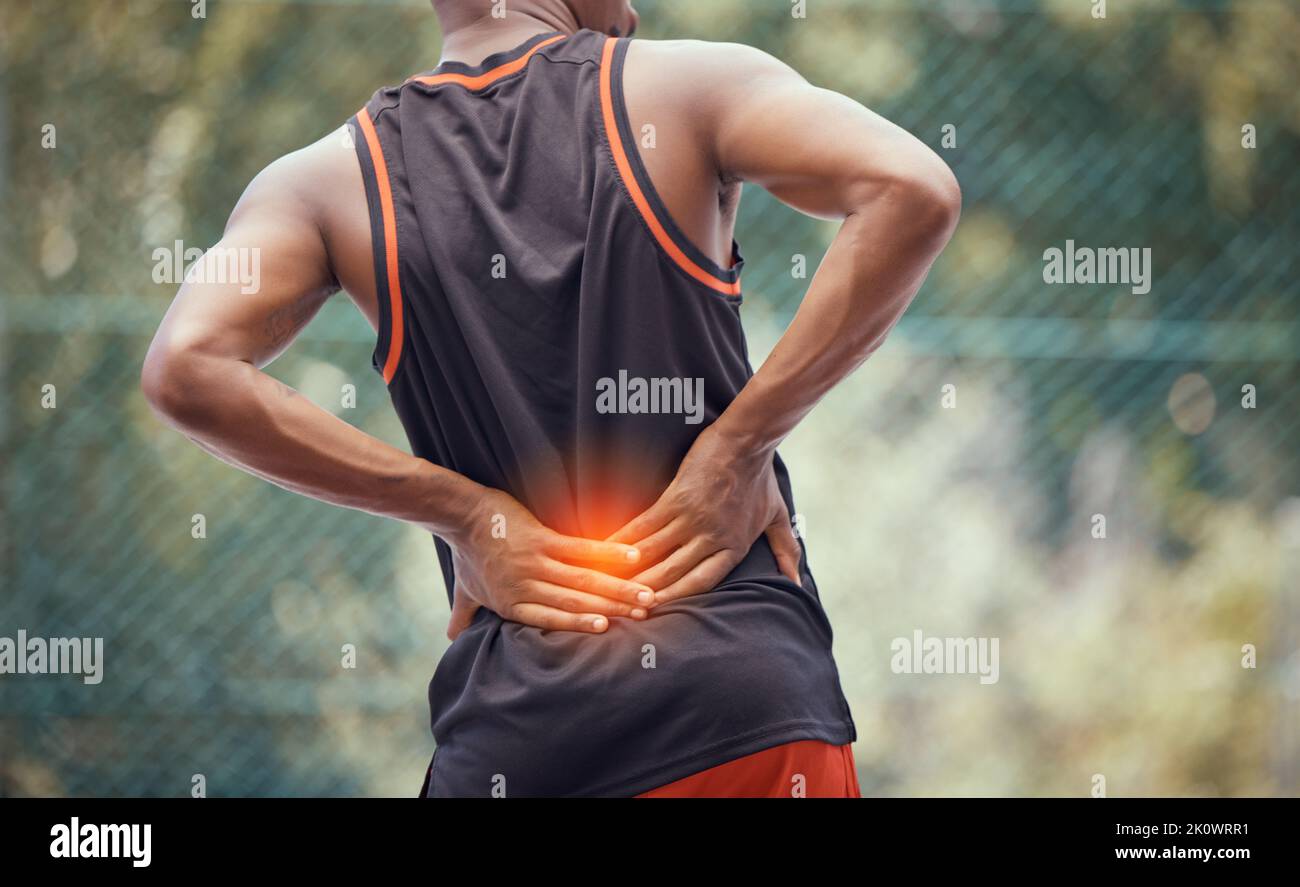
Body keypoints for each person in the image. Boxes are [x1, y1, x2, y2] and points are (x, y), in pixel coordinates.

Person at [141, 0, 960, 797]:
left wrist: (466, 515)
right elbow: (911, 187)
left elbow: (188, 363)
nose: (634, 11)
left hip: (522, 742)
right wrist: (736, 448)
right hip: (744, 711)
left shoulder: (327, 183)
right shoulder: (690, 89)